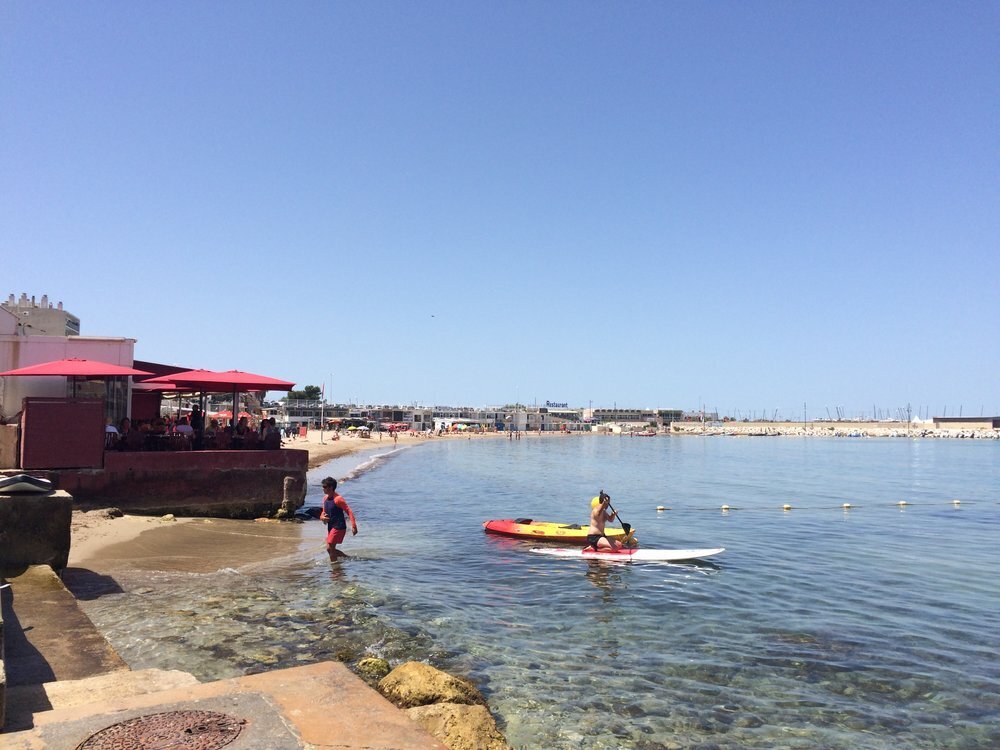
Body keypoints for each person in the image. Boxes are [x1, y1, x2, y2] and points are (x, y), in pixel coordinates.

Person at [319, 477, 358, 561]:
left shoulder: (338, 499)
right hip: (331, 526)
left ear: (331, 487)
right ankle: (348, 559)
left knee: (330, 547)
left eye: (325, 487)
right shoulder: (325, 498)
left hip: (339, 526)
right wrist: (322, 517)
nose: (323, 489)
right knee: (330, 549)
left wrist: (354, 526)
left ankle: (335, 570)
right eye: (323, 487)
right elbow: (323, 512)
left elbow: (349, 511)